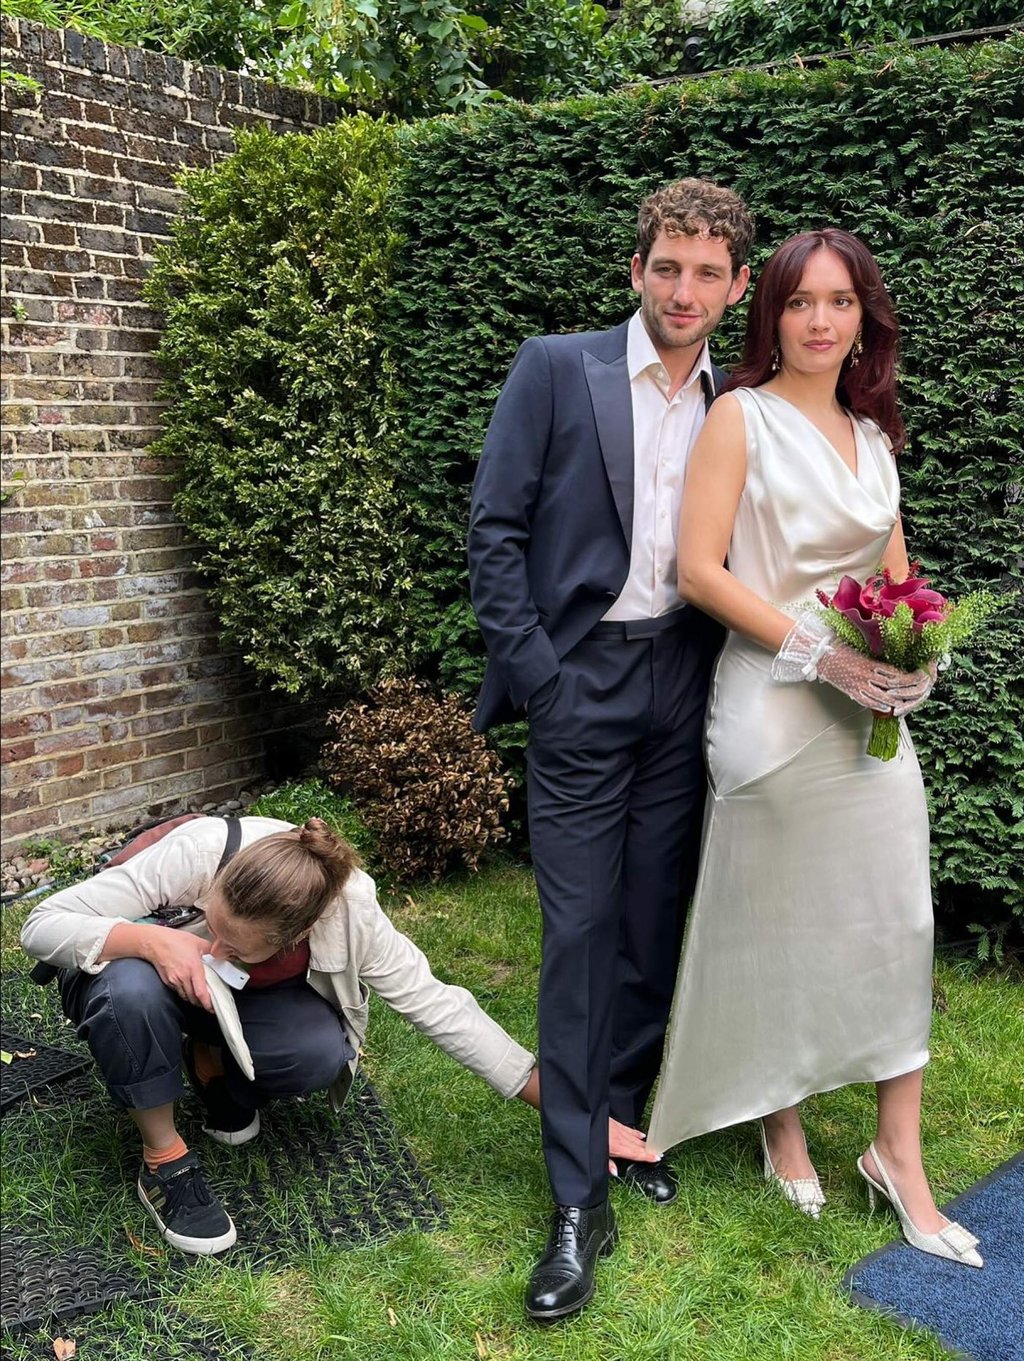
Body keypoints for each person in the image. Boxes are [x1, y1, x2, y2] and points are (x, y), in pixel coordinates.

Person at [647, 228, 982, 1268]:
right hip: (769, 708)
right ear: (772, 314)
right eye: (799, 302)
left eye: (839, 302)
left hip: (865, 723)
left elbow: (894, 576)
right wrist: (817, 654)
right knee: (778, 921)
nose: (820, 320)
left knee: (895, 915)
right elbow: (699, 569)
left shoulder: (871, 435)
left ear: (862, 319)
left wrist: (912, 658)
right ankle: (778, 1116)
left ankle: (896, 1152)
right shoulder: (735, 419)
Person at [468, 179, 754, 1319]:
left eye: (707, 272)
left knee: (647, 918)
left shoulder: (740, 398)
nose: (684, 291)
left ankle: (621, 1119)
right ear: (636, 270)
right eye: (667, 267)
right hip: (581, 676)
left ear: (736, 287)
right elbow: (494, 528)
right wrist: (541, 676)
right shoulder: (555, 368)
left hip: (687, 677)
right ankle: (575, 1192)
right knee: (578, 926)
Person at [19, 815, 650, 1256]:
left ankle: (211, 1065)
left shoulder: (351, 913)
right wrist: (154, 939)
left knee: (317, 1052)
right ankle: (164, 1159)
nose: (213, 948)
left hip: (236, 1006)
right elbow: (42, 922)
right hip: (127, 978)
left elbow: (444, 1009)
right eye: (210, 925)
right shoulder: (200, 851)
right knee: (132, 991)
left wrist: (577, 1120)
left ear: (295, 937)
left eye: (234, 947)